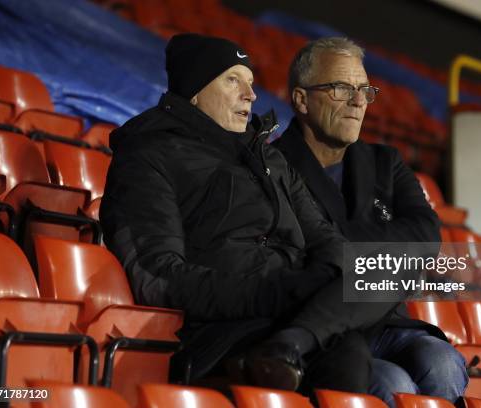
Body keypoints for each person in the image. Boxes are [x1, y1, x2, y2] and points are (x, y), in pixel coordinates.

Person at [100, 33, 394, 396]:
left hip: (299, 316)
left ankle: (291, 343)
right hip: (225, 333)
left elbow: (327, 239)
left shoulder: (268, 157)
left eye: (251, 83)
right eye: (232, 79)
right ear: (194, 91)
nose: (251, 95)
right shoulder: (148, 157)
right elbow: (159, 276)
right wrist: (278, 291)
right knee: (359, 360)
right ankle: (291, 345)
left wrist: (323, 279)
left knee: (384, 274)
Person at [273, 37, 469, 406]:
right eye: (342, 88)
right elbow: (298, 250)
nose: (359, 101)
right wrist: (386, 249)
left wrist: (340, 243)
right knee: (392, 380)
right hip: (320, 325)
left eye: (364, 90)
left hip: (386, 317)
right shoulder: (274, 165)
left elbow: (426, 237)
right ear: (301, 99)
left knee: (441, 360)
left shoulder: (386, 162)